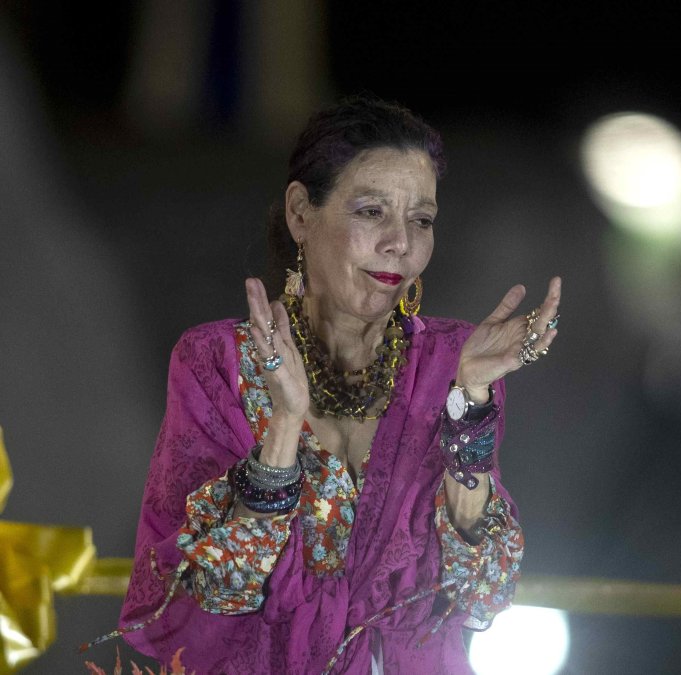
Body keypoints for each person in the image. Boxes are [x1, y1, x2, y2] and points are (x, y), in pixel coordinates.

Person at [104, 97, 562, 673]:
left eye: (421, 220)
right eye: (372, 211)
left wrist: (469, 401)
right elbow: (208, 592)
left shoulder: (454, 362)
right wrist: (283, 429)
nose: (400, 242)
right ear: (301, 213)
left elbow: (481, 592)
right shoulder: (218, 361)